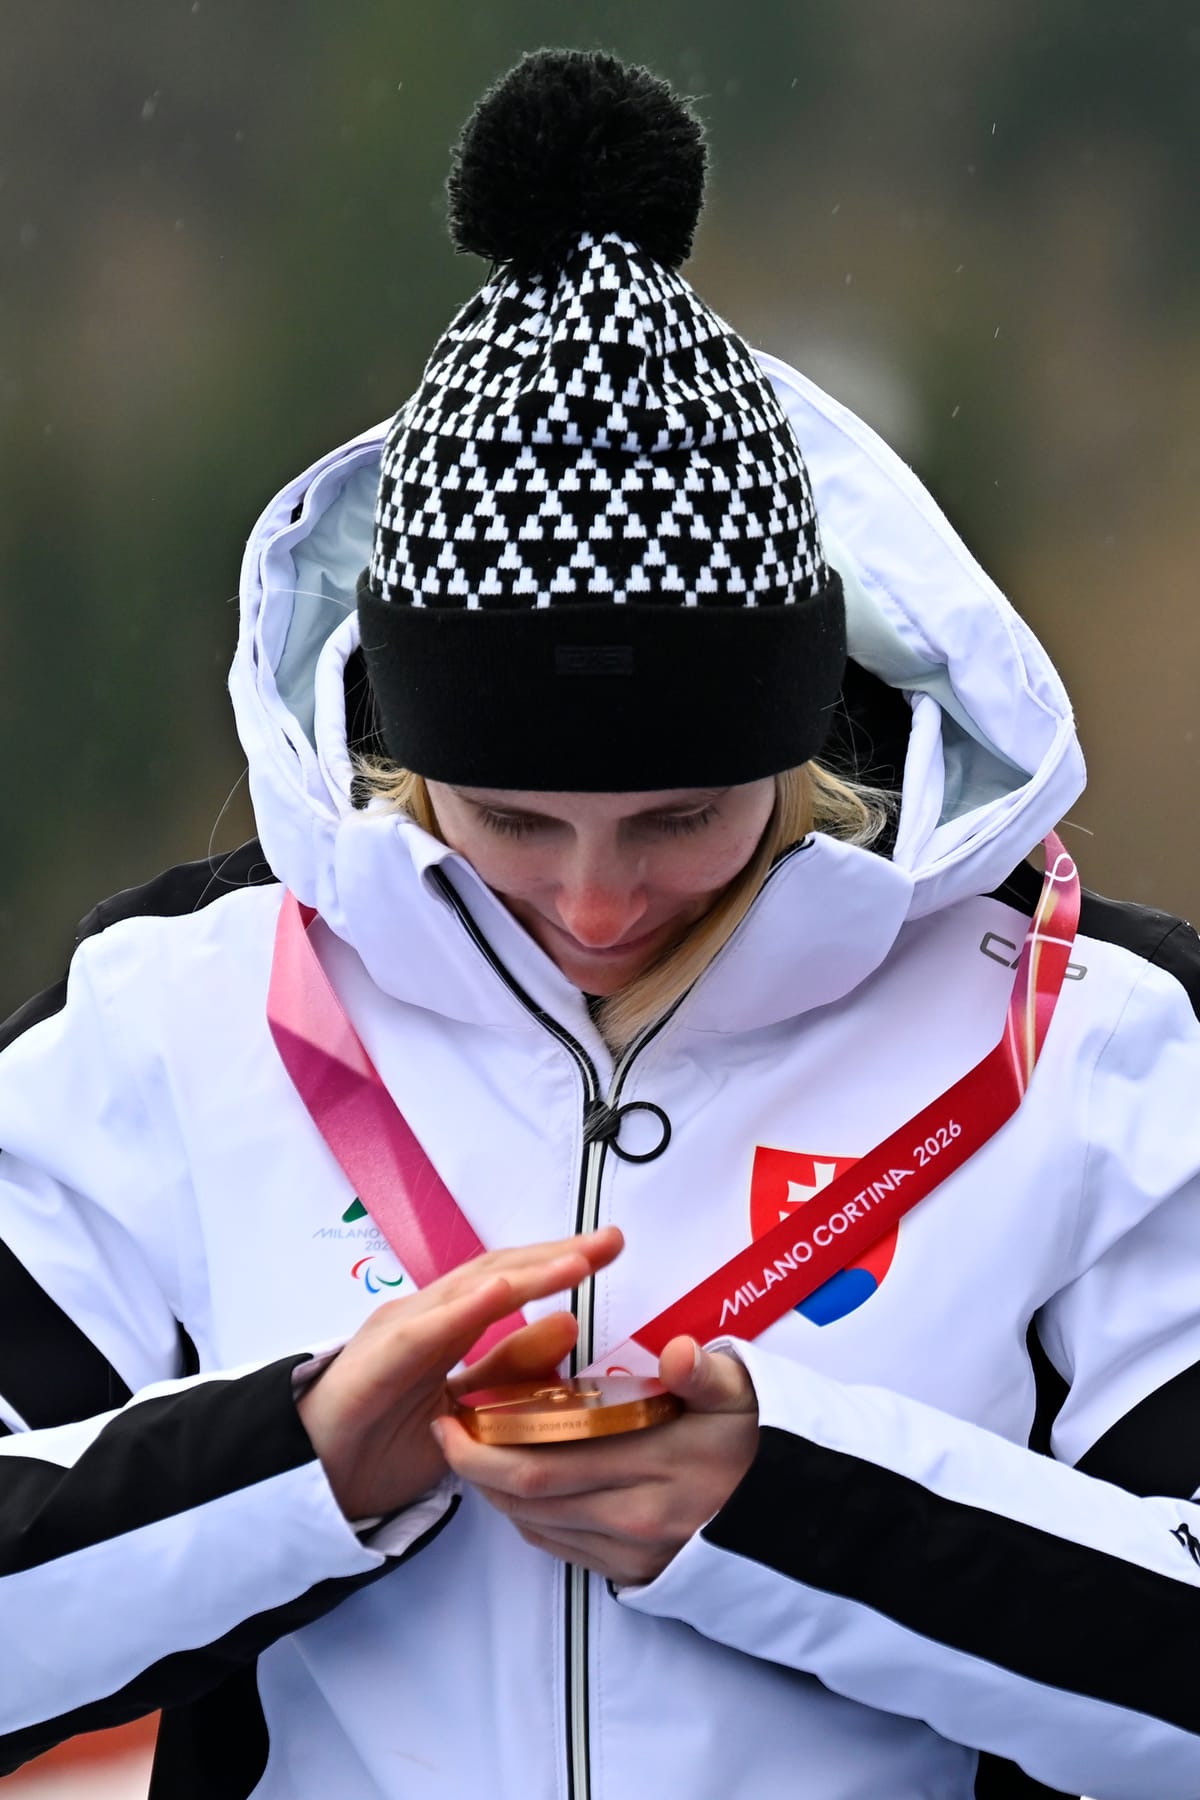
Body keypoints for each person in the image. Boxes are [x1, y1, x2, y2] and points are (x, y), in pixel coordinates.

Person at [2, 45, 1199, 1800]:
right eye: (509, 820)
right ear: (397, 751)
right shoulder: (173, 1015)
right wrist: (288, 1478)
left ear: (805, 741)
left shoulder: (1097, 1036)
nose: (593, 897)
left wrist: (789, 1514)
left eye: (680, 817)